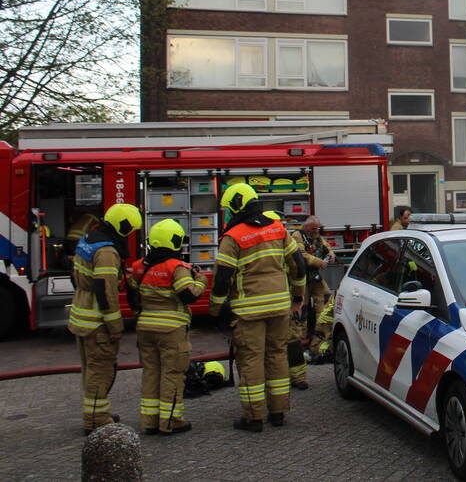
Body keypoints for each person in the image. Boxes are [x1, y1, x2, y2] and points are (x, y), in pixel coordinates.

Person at [209, 183, 306, 432]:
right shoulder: (278, 228)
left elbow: (222, 278)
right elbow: (298, 265)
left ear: (237, 207)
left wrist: (215, 310)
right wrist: (297, 297)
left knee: (251, 359)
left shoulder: (233, 237)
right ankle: (278, 412)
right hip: (279, 307)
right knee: (276, 355)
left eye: (229, 210)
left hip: (248, 311)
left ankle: (253, 417)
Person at [68, 202, 142, 435]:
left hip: (81, 314)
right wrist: (115, 325)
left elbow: (77, 277)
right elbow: (105, 290)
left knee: (90, 369)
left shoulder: (88, 240)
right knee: (101, 370)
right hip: (97, 322)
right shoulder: (108, 252)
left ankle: (98, 412)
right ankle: (96, 419)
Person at [127, 218, 206, 435]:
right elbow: (188, 296)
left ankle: (149, 421)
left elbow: (133, 296)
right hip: (171, 330)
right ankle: (171, 421)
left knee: (151, 372)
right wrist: (200, 281)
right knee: (172, 373)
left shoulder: (138, 266)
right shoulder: (177, 268)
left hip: (145, 328)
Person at [287, 215, 334, 389]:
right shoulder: (297, 236)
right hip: (301, 278)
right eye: (315, 229)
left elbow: (326, 247)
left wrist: (330, 255)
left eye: (318, 229)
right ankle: (300, 345)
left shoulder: (316, 237)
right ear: (307, 228)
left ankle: (319, 344)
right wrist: (319, 261)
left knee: (327, 302)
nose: (317, 232)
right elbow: (301, 255)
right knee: (302, 312)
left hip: (315, 277)